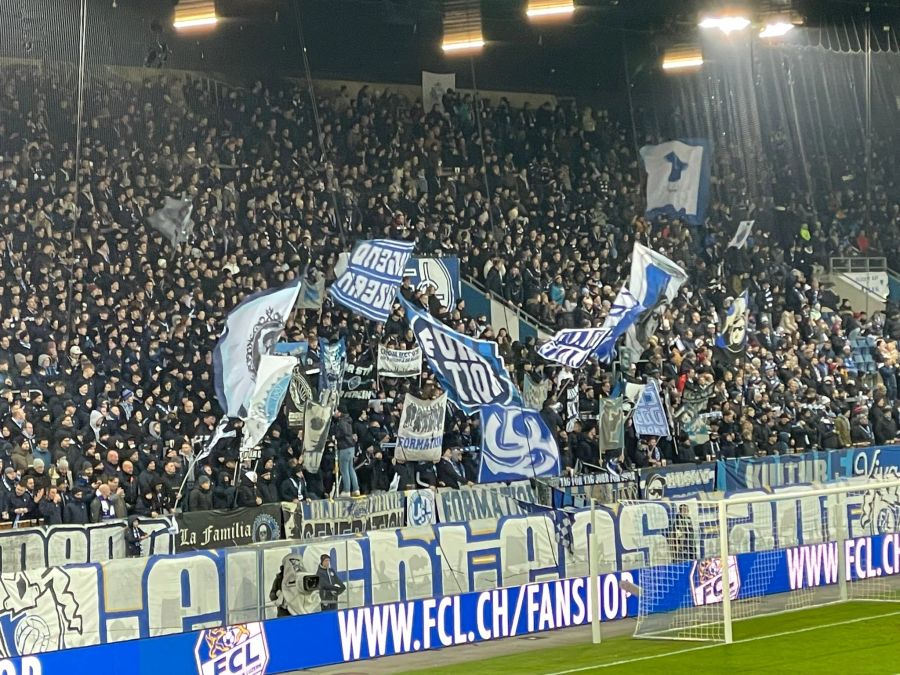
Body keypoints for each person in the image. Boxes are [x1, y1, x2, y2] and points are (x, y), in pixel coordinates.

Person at [333, 408, 360, 497]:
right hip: (351, 447)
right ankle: (356, 489)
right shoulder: (348, 421)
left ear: (340, 412)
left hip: (344, 447)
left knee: (344, 470)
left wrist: (336, 436)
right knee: (351, 468)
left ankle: (346, 490)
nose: (334, 413)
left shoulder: (341, 422)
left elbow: (343, 433)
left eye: (335, 411)